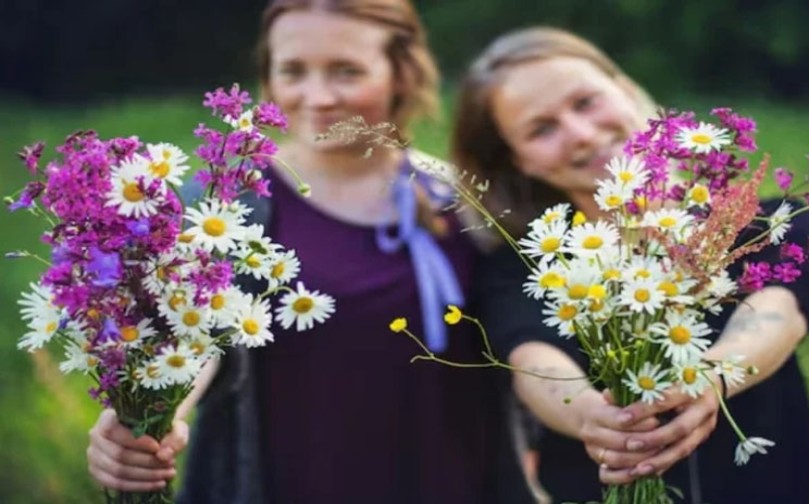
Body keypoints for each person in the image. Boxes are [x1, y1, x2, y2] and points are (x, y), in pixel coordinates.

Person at [85, 1, 501, 502]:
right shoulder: (228, 206)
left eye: (346, 71)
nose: (317, 96)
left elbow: (515, 334)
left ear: (400, 73)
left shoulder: (460, 197)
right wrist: (157, 412)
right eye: (293, 71)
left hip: (450, 481)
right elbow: (200, 333)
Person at [452, 26, 809, 504]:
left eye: (586, 102)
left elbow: (782, 310)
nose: (582, 135)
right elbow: (532, 360)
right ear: (516, 160)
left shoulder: (767, 224)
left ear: (626, 89)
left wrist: (709, 380)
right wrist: (594, 417)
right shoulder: (527, 264)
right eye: (541, 129)